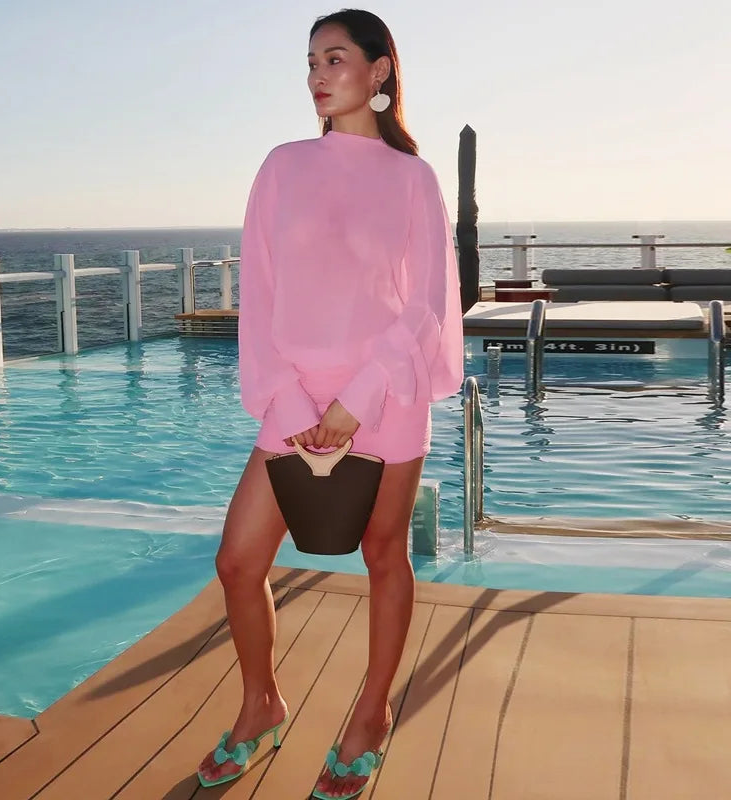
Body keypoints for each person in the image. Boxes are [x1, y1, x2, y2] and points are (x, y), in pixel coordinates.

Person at [197, 8, 463, 799]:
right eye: (310, 60)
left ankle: (371, 714)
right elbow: (263, 293)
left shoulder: (413, 178)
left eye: (335, 57)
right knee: (238, 561)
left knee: (384, 557)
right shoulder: (280, 167)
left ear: (379, 72)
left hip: (383, 397)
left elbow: (422, 305)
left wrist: (353, 402)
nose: (316, 74)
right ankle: (261, 705)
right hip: (292, 397)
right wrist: (287, 402)